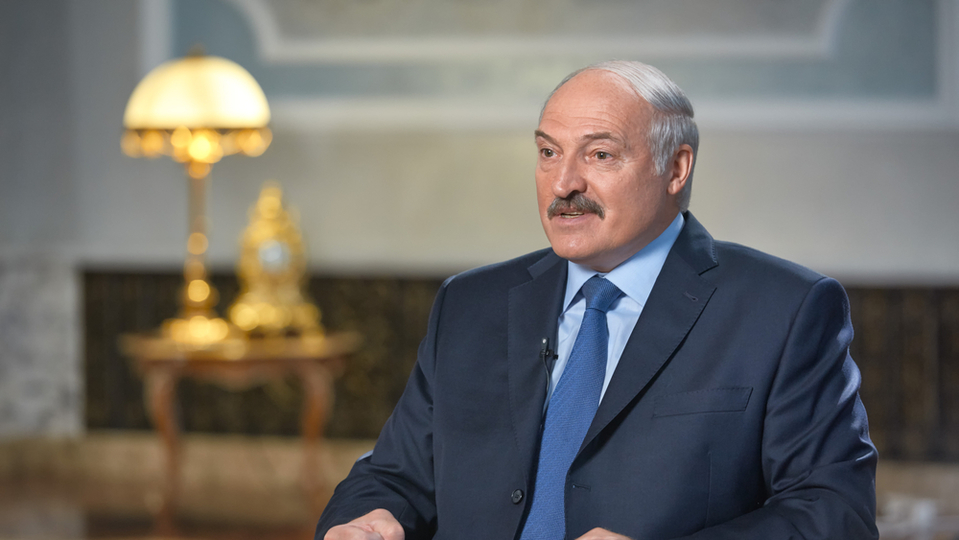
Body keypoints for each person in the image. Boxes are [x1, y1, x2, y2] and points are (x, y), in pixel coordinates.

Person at [316, 61, 878, 540]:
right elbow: (393, 477)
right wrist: (367, 519)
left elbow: (834, 514)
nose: (563, 184)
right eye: (548, 152)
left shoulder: (783, 309)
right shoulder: (469, 304)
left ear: (676, 168)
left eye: (600, 155)